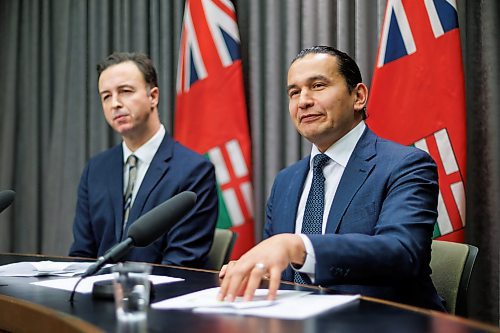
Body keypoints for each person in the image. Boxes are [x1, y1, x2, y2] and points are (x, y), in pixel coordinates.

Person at [218, 46, 445, 311]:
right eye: (294, 92)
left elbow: (402, 253)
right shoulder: (286, 181)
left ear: (358, 96)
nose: (303, 101)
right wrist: (258, 272)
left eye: (317, 86)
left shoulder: (406, 165)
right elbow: (283, 270)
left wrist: (297, 245)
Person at [69, 52, 218, 268]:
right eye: (106, 96)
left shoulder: (194, 171)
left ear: (153, 96)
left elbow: (181, 263)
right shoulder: (96, 169)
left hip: (158, 297)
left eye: (125, 91)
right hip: (94, 296)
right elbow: (81, 254)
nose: (115, 104)